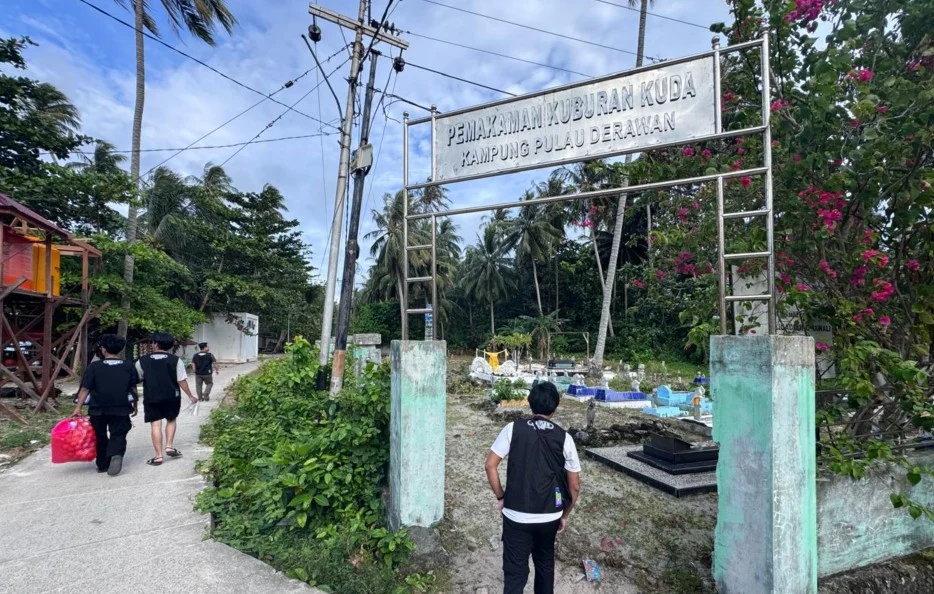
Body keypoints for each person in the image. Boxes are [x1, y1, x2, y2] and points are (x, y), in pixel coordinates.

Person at [485, 382, 582, 594]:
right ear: (555, 408)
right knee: (545, 564)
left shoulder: (512, 429)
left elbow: (490, 465)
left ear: (530, 404)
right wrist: (564, 514)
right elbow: (574, 486)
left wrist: (501, 497)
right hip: (550, 515)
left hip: (515, 513)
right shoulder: (565, 438)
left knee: (515, 572)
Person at [70, 334, 139, 476]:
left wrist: (78, 408)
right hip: (121, 407)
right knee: (118, 433)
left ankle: (102, 464)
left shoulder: (94, 367)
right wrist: (135, 404)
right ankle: (116, 453)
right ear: (120, 349)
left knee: (99, 435)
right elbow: (133, 388)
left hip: (98, 408)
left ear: (104, 350)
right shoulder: (128, 366)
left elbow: (85, 389)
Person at [136, 332, 197, 466]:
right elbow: (181, 380)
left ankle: (158, 456)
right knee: (171, 420)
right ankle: (169, 446)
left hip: (151, 396)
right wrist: (190, 395)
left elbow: (137, 377)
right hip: (172, 396)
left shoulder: (142, 361)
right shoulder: (176, 360)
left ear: (155, 344)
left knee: (155, 424)